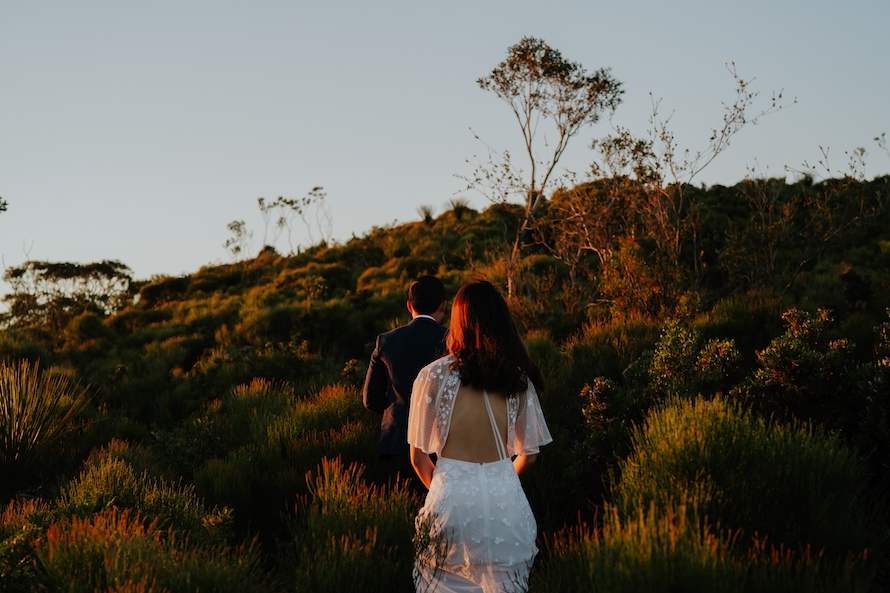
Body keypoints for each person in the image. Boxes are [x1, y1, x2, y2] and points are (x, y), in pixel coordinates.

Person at [408, 279, 553, 593]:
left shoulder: (432, 376)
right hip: (506, 502)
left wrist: (449, 488)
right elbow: (530, 454)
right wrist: (501, 479)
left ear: (457, 319)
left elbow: (418, 457)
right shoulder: (516, 377)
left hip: (450, 498)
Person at [363, 275, 448, 490]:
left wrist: (399, 410)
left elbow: (370, 400)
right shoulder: (452, 339)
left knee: (405, 511)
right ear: (443, 306)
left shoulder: (386, 341)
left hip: (399, 441)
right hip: (443, 443)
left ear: (409, 306)